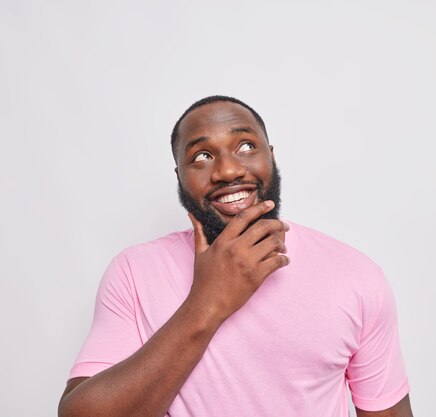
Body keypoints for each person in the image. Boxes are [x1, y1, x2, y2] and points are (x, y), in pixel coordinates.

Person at [58, 96, 413, 417]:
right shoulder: (133, 272)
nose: (228, 170)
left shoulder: (354, 275)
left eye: (245, 146)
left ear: (271, 157)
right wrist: (208, 302)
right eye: (201, 156)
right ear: (179, 176)